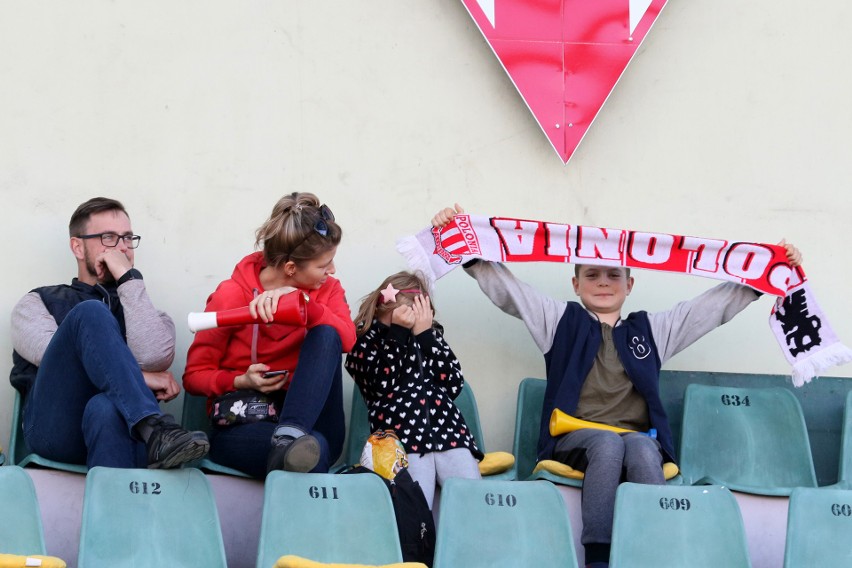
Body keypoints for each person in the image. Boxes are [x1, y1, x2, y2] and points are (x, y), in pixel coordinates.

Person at [431, 204, 802, 568]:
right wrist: (471, 252)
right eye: (592, 275)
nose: (603, 282)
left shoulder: (652, 331)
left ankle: (656, 551)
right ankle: (599, 557)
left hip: (635, 438)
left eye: (613, 275)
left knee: (642, 445)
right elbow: (513, 293)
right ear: (575, 284)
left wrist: (763, 274)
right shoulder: (560, 322)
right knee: (607, 443)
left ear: (630, 284)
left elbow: (705, 311)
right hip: (573, 440)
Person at [10, 197, 209, 469]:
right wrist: (143, 379)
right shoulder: (36, 302)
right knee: (91, 313)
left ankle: (115, 504)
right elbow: (54, 357)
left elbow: (153, 357)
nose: (123, 248)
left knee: (106, 407)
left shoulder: (148, 313)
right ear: (77, 247)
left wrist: (128, 278)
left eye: (128, 238)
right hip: (55, 431)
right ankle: (154, 428)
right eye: (109, 238)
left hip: (119, 430)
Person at [183, 192, 356, 478]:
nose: (332, 271)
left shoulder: (328, 290)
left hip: (311, 423)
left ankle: (290, 437)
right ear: (290, 268)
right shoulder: (232, 294)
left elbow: (347, 340)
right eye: (324, 265)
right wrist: (240, 379)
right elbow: (194, 377)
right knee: (314, 452)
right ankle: (291, 447)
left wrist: (307, 307)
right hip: (247, 424)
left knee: (328, 333)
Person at [345, 271, 482, 509]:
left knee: (471, 504)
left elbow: (453, 384)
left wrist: (426, 337)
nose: (407, 327)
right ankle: (418, 547)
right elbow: (380, 386)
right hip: (402, 440)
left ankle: (471, 546)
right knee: (415, 511)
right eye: (398, 320)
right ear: (380, 311)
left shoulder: (430, 338)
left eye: (412, 319)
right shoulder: (366, 342)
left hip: (450, 434)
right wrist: (395, 334)